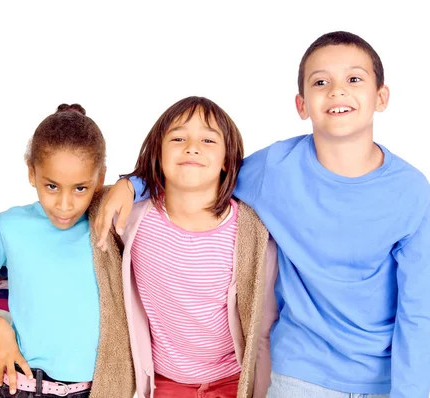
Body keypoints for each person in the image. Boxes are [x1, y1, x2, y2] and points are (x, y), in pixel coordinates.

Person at [98, 31, 430, 398]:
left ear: (381, 97)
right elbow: (203, 172)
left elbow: (420, 311)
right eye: (321, 82)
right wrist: (132, 184)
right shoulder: (275, 170)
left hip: (385, 377)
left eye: (354, 79)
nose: (337, 91)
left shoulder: (413, 191)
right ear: (301, 104)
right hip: (299, 372)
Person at [98, 96, 276, 398]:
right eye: (178, 138)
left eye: (208, 140)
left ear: (227, 161)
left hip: (233, 382)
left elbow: (264, 326)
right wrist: (128, 183)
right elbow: (75, 200)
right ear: (158, 153)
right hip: (165, 383)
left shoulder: (251, 231)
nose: (192, 147)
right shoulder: (132, 219)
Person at [0, 104, 135, 398]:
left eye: (80, 189)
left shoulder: (109, 224)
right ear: (31, 173)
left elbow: (170, 188)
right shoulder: (9, 227)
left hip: (101, 389)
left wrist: (130, 185)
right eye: (51, 186)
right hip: (25, 387)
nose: (64, 205)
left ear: (100, 180)